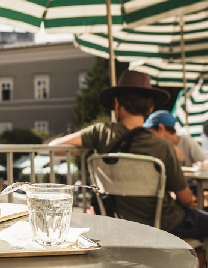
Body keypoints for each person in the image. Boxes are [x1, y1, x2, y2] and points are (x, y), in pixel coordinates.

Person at [49, 70, 208, 247]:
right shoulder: (163, 146)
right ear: (150, 108)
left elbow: (55, 148)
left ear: (116, 104)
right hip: (164, 224)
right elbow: (185, 199)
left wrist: (85, 149)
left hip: (119, 225)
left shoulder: (102, 133)